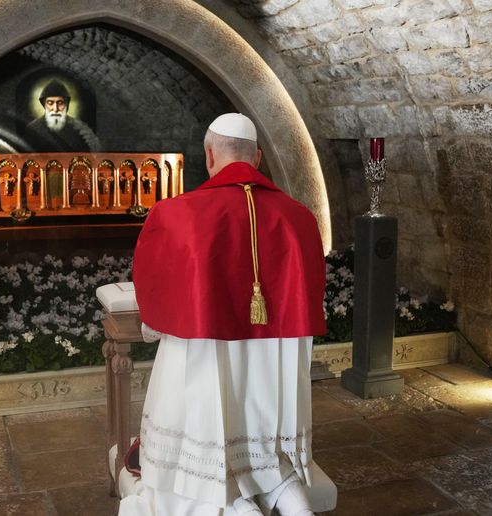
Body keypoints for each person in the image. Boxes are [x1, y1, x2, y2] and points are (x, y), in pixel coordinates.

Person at [129, 113, 327, 516]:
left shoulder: (175, 213)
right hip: (273, 358)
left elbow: (152, 288)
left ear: (208, 154)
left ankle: (234, 504)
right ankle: (291, 500)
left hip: (204, 353)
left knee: (204, 442)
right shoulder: (300, 216)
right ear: (257, 158)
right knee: (263, 449)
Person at [24, 79, 101, 152]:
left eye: (60, 103)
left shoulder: (79, 128)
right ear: (44, 105)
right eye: (50, 103)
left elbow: (93, 153)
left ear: (66, 104)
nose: (55, 109)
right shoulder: (33, 128)